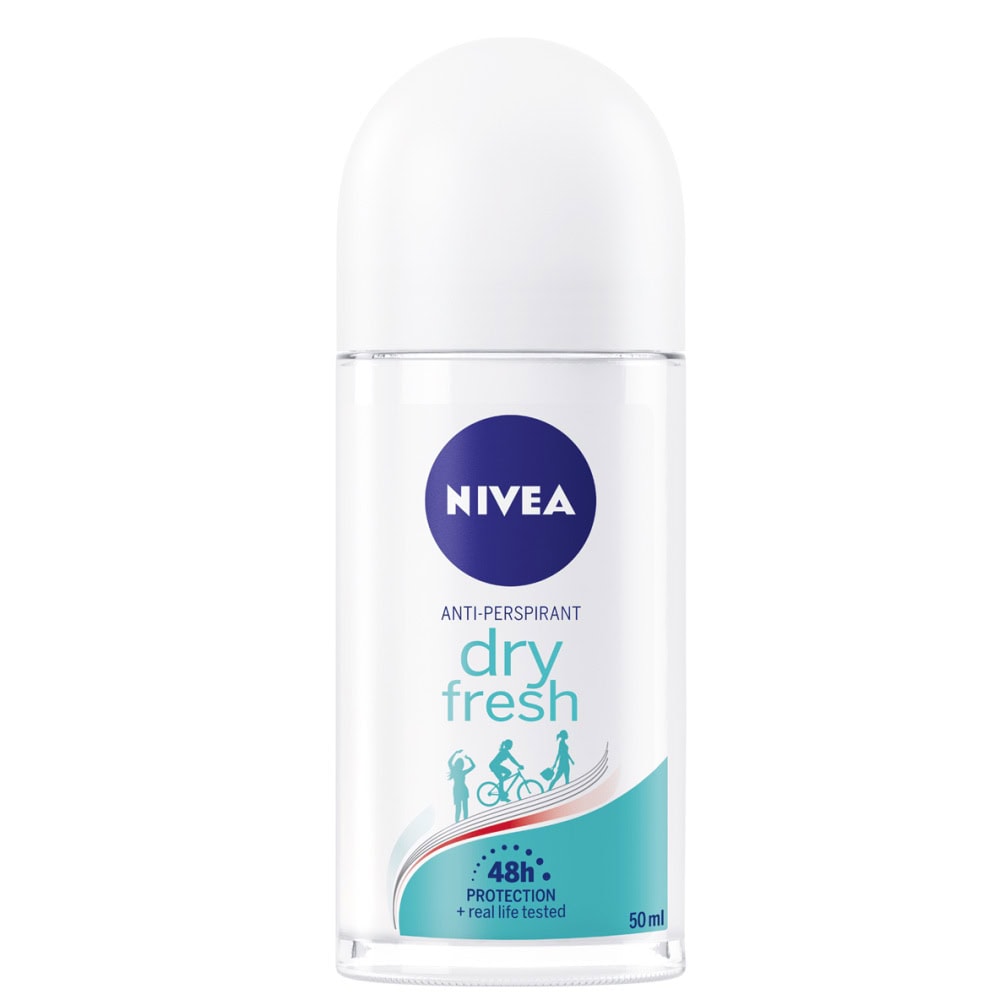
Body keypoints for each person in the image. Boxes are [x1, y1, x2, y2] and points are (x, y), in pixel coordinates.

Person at [447, 750, 475, 822]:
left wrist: (469, 758)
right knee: (459, 807)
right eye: (460, 764)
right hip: (458, 790)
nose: (461, 765)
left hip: (462, 790)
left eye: (461, 764)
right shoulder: (457, 771)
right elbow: (449, 762)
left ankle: (464, 821)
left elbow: (473, 766)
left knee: (463, 807)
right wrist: (455, 753)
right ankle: (458, 821)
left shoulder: (461, 772)